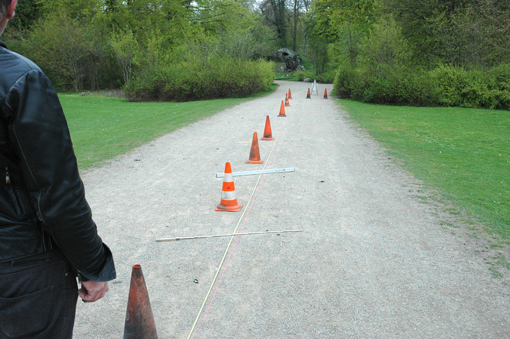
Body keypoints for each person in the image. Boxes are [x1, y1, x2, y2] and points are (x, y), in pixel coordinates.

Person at [0, 0, 116, 337]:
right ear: (11, 7)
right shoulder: (21, 80)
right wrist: (94, 265)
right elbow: (57, 194)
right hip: (20, 270)